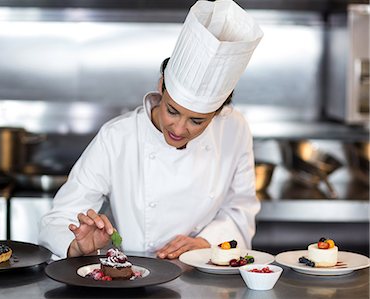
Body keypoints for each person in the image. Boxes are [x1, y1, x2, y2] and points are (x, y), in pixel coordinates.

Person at [39, 0, 264, 260]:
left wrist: (206, 242)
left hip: (205, 274)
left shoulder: (234, 129)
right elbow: (59, 218)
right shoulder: (118, 137)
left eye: (197, 121)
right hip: (134, 277)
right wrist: (76, 245)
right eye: (172, 111)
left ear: (218, 112)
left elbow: (240, 209)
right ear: (161, 86)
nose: (179, 129)